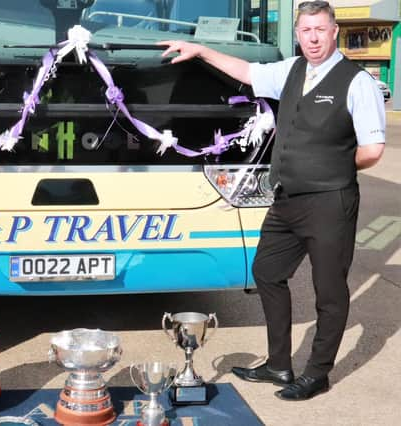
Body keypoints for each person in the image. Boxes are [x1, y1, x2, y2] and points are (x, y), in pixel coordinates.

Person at [158, 1, 385, 401]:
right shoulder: (293, 70)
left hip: (330, 201)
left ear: (334, 32)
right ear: (297, 35)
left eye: (320, 30)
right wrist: (202, 51)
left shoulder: (357, 82)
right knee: (266, 270)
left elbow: (372, 149)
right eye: (305, 31)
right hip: (287, 199)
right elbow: (247, 72)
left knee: (328, 291)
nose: (313, 38)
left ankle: (317, 372)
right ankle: (279, 363)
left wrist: (330, 164)